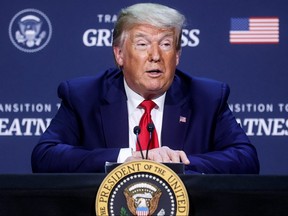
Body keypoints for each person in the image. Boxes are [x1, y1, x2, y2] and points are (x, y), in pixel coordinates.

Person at [31, 3, 259, 174]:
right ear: (119, 54)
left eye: (166, 44)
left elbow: (246, 159)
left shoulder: (206, 98)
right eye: (142, 44)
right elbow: (45, 156)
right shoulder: (84, 96)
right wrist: (127, 158)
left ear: (177, 56)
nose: (155, 56)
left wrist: (176, 163)